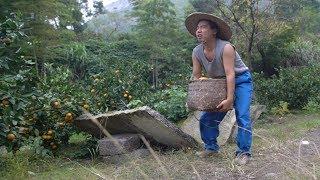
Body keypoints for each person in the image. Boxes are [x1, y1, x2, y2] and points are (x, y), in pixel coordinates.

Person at [185, 12, 254, 165]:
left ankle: (244, 153)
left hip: (240, 80)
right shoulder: (196, 52)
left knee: (242, 116)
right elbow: (196, 77)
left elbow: (230, 74)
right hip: (217, 83)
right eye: (197, 28)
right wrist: (193, 99)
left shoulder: (226, 47)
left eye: (203, 27)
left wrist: (229, 99)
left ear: (214, 31)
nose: (199, 30)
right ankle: (211, 148)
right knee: (207, 118)